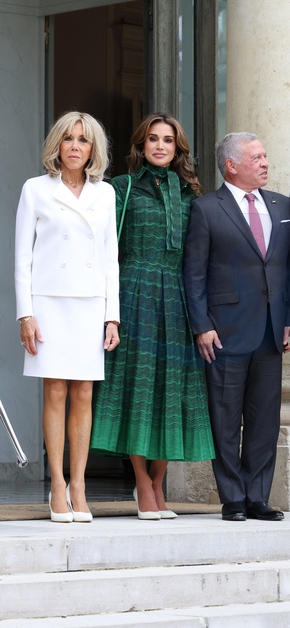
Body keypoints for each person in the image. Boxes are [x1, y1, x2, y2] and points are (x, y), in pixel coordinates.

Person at [90, 112, 215, 520]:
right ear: (141, 146)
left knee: (171, 390)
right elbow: (104, 249)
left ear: (178, 149)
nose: (160, 146)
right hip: (134, 293)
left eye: (168, 140)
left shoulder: (191, 194)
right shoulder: (121, 188)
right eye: (153, 139)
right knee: (138, 389)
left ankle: (159, 481)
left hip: (177, 299)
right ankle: (142, 482)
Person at [183, 132, 290, 522]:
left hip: (271, 330)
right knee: (225, 418)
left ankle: (257, 497)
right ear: (231, 165)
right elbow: (194, 274)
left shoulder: (282, 206)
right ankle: (232, 497)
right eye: (257, 157)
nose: (265, 162)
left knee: (265, 420)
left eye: (265, 155)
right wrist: (201, 325)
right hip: (224, 331)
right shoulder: (206, 209)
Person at [15, 111, 120, 523]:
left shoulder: (105, 193)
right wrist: (25, 314)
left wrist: (112, 317)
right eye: (69, 138)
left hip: (90, 303)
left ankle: (79, 484)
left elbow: (110, 258)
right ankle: (57, 485)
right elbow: (22, 258)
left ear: (93, 149)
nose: (76, 146)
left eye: (84, 140)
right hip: (48, 302)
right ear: (57, 145)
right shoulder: (35, 189)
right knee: (55, 390)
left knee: (84, 393)